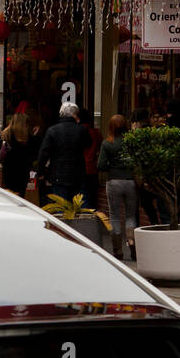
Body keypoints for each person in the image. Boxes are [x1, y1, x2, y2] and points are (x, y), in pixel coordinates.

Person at [98, 114, 138, 260]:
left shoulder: (107, 143)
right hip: (130, 181)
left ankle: (118, 250)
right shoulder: (131, 142)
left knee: (114, 215)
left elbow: (100, 165)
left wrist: (112, 166)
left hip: (113, 181)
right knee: (130, 215)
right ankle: (132, 245)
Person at [35, 102, 92, 201]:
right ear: (75, 115)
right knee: (78, 206)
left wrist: (40, 172)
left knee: (61, 206)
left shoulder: (52, 130)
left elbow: (44, 153)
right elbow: (88, 144)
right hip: (78, 174)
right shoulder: (82, 130)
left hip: (58, 175)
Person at [0, 111, 39, 198]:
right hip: (22, 175)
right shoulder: (28, 138)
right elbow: (34, 156)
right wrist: (35, 137)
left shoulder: (5, 135)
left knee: (8, 197)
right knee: (20, 198)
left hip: (8, 173)